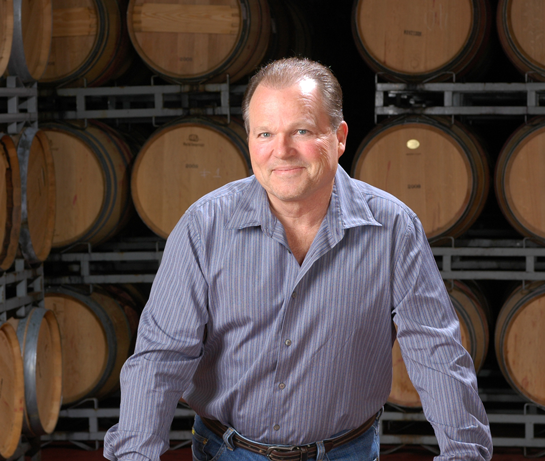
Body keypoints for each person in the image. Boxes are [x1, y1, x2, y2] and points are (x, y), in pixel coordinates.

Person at [104, 57, 493, 461]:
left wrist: (464, 453)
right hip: (227, 451)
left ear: (339, 137)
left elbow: (436, 352)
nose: (282, 151)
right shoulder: (203, 226)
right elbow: (161, 357)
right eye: (265, 133)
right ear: (249, 139)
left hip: (346, 453)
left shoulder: (393, 228)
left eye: (302, 131)